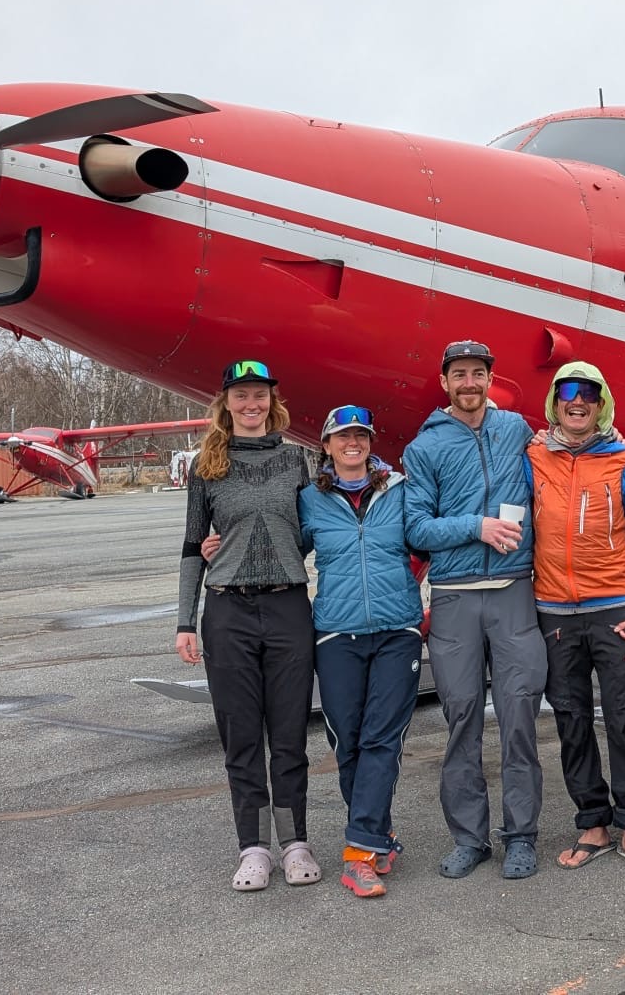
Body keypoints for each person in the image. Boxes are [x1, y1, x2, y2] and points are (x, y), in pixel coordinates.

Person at [402, 339, 550, 881]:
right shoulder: (424, 449)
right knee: (462, 718)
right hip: (456, 597)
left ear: (492, 378)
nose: (469, 382)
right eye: (459, 374)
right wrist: (476, 526)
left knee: (518, 720)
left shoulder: (515, 430)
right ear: (445, 382)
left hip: (513, 591)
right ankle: (469, 838)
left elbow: (560, 458)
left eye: (478, 373)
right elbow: (416, 528)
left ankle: (521, 836)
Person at [175, 360, 320, 892]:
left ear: (271, 400)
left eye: (259, 394)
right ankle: (253, 848)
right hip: (228, 612)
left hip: (287, 608)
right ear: (226, 402)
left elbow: (308, 533)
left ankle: (295, 843)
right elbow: (194, 545)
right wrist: (184, 621)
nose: (251, 404)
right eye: (241, 396)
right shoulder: (206, 464)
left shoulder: (295, 461)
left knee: (288, 737)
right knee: (241, 738)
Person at [526, 362, 625, 875]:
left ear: (602, 402)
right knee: (571, 719)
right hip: (555, 612)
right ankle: (593, 822)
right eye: (567, 391)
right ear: (555, 402)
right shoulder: (533, 458)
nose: (577, 401)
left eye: (589, 392)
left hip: (614, 609)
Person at [301, 404, 423, 898]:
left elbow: (429, 535)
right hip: (336, 633)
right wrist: (219, 546)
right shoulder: (308, 500)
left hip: (397, 630)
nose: (354, 443)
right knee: (346, 741)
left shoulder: (399, 491)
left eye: (362, 435)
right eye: (343, 436)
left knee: (380, 738)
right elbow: (280, 551)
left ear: (371, 443)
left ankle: (359, 855)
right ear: (326, 445)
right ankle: (379, 833)